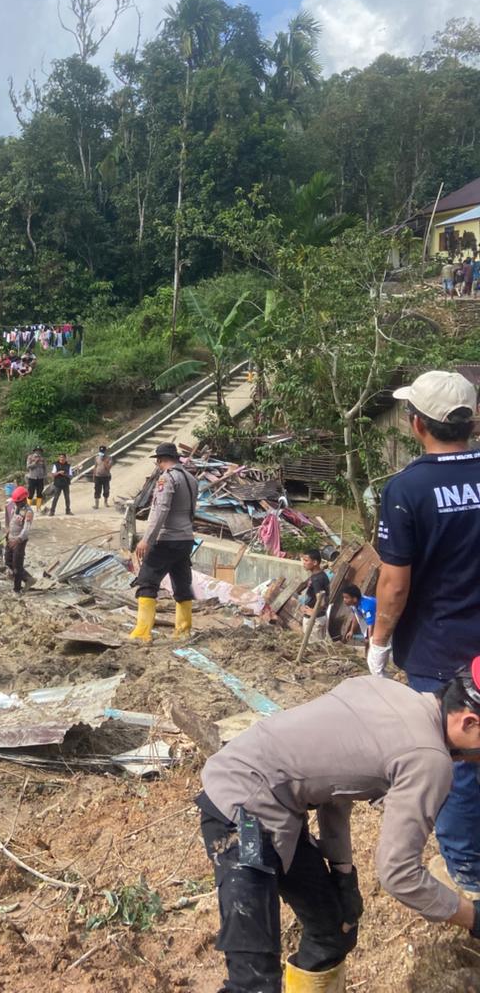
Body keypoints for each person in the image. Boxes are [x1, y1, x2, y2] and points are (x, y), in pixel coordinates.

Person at [197, 666, 480, 993]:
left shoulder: (383, 689)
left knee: (334, 929)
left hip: (276, 807)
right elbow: (399, 873)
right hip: (241, 813)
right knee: (253, 984)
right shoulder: (428, 758)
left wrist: (343, 873)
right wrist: (473, 918)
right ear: (469, 722)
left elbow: (336, 785)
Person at [369, 369, 480, 894]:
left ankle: (468, 874)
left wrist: (379, 642)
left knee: (456, 761)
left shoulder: (407, 489)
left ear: (417, 424)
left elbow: (394, 584)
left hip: (440, 652)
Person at [129, 443, 197, 643]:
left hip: (167, 539)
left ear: (160, 461)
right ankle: (183, 631)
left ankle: (142, 633)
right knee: (182, 584)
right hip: (186, 539)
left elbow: (160, 510)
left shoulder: (167, 478)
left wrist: (146, 540)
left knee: (147, 582)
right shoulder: (191, 479)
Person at [4, 486, 33, 595]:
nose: (16, 504)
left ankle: (17, 589)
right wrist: (7, 532)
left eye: (18, 502)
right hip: (10, 538)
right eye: (15, 502)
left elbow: (26, 529)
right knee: (8, 561)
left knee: (17, 565)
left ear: (24, 500)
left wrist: (18, 540)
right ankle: (28, 579)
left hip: (19, 541)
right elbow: (10, 521)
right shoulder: (14, 506)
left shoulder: (28, 512)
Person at [298, 548, 331, 640]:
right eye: (303, 560)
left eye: (306, 560)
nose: (303, 563)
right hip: (317, 618)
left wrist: (313, 612)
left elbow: (322, 601)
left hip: (314, 620)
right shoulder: (320, 575)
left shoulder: (317, 579)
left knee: (313, 645)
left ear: (315, 562)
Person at [92, 445, 112, 509]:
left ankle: (105, 502)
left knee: (106, 490)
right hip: (98, 476)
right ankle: (96, 504)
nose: (102, 453)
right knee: (97, 490)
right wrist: (94, 475)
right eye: (101, 451)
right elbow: (95, 466)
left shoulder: (109, 458)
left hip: (106, 476)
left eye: (103, 451)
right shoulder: (97, 457)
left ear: (105, 451)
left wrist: (104, 461)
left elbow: (108, 468)